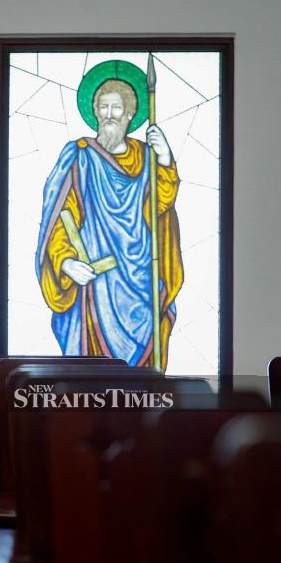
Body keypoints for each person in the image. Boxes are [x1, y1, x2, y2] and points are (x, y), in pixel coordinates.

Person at [35, 76, 183, 370]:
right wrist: (65, 262)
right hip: (95, 281)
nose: (109, 114)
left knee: (143, 377)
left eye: (117, 108)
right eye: (103, 107)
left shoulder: (146, 155)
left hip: (141, 274)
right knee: (92, 377)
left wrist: (165, 159)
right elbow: (60, 215)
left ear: (130, 114)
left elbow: (160, 206)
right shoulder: (79, 155)